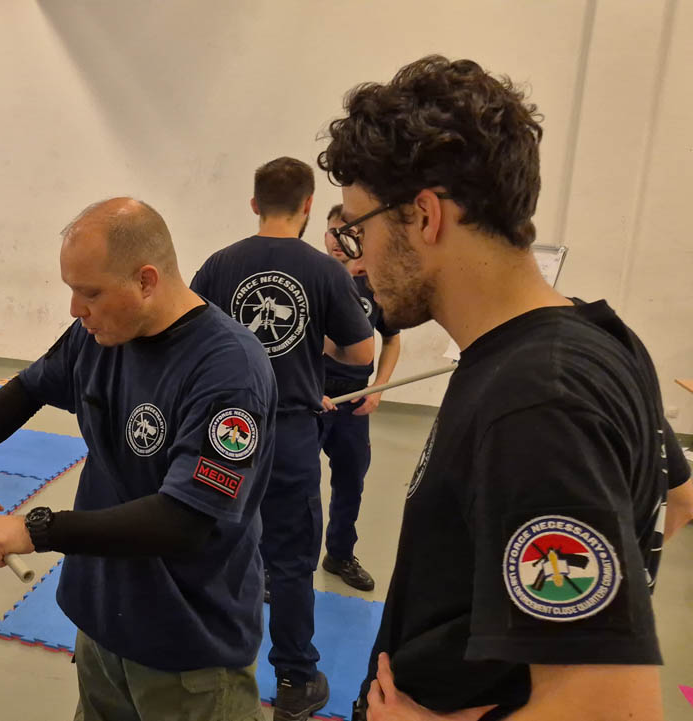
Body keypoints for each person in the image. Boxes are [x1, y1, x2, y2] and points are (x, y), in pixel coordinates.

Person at [318, 55, 693, 721]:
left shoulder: (537, 403)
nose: (357, 257)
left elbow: (616, 711)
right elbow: (680, 497)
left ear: (424, 216)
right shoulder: (598, 336)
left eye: (358, 229)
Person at [0, 197, 276, 721]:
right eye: (71, 290)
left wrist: (36, 530)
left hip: (187, 640)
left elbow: (184, 521)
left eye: (89, 293)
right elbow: (30, 386)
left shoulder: (228, 369)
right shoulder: (100, 334)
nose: (75, 309)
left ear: (146, 281)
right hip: (103, 617)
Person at [191, 157, 374, 720]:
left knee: (215, 542)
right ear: (309, 205)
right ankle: (295, 680)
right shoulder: (325, 271)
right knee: (292, 560)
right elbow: (362, 354)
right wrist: (310, 356)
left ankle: (207, 663)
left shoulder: (220, 265)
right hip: (291, 430)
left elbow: (187, 341)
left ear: (254, 204)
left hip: (227, 429)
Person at [316, 203, 402, 592]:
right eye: (333, 231)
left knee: (351, 481)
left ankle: (339, 554)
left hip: (355, 400)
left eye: (348, 232)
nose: (339, 240)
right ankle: (279, 560)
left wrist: (378, 387)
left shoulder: (374, 285)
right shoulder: (312, 278)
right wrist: (307, 388)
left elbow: (392, 339)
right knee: (296, 483)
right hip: (312, 397)